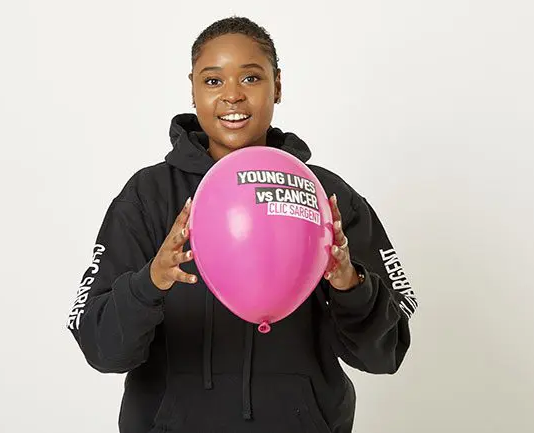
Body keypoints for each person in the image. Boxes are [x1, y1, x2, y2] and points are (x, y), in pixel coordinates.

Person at [66, 16, 418, 433]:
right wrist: (151, 282)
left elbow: (385, 354)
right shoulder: (148, 195)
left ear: (278, 85)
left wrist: (350, 284)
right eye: (213, 81)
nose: (232, 95)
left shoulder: (325, 195)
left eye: (251, 78)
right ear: (193, 90)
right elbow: (101, 348)